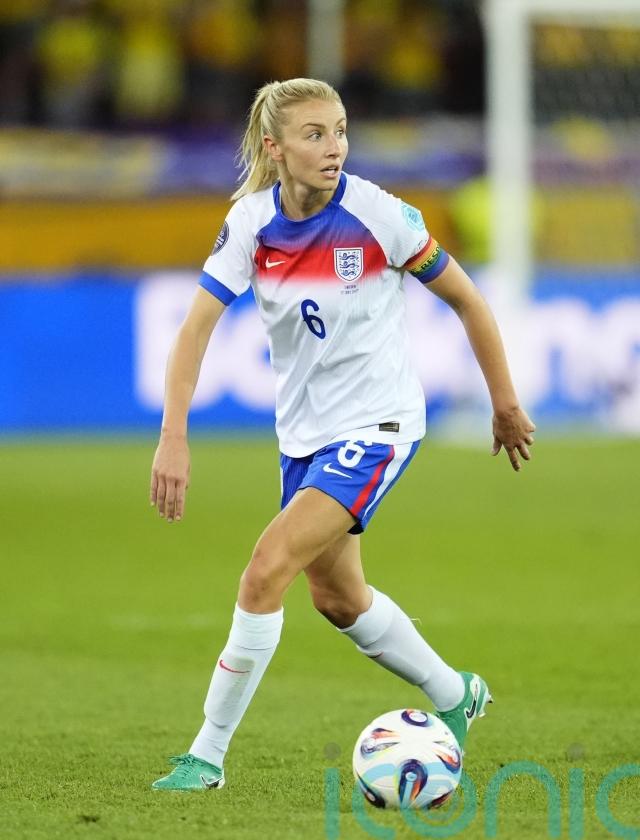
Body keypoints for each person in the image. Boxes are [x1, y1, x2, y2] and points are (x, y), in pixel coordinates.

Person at [149, 78, 535, 792]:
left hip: (380, 424)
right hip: (304, 436)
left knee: (266, 568)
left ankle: (206, 756)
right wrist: (174, 435)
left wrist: (504, 402)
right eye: (315, 134)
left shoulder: (378, 215)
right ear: (275, 148)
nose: (335, 148)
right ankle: (456, 694)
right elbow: (195, 329)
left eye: (341, 131)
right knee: (337, 597)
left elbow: (467, 299)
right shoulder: (250, 224)